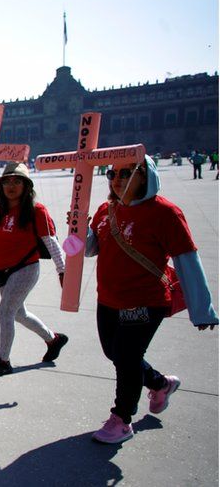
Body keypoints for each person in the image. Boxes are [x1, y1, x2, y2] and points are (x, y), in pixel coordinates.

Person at [85, 155, 217, 444]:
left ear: (145, 176)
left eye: (127, 173)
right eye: (113, 173)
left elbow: (187, 260)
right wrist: (77, 230)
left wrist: (202, 309)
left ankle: (121, 419)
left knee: (127, 357)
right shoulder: (106, 210)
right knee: (115, 353)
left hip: (144, 300)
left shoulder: (165, 213)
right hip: (108, 297)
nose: (117, 180)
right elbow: (88, 249)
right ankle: (160, 383)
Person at [0, 162, 69, 377]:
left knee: (5, 312)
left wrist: (63, 271)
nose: (11, 185)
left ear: (27, 186)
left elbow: (51, 242)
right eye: (7, 181)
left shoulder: (37, 211)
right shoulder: (2, 211)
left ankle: (3, 360)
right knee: (19, 314)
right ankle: (53, 339)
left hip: (25, 269)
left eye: (17, 181)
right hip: (4, 272)